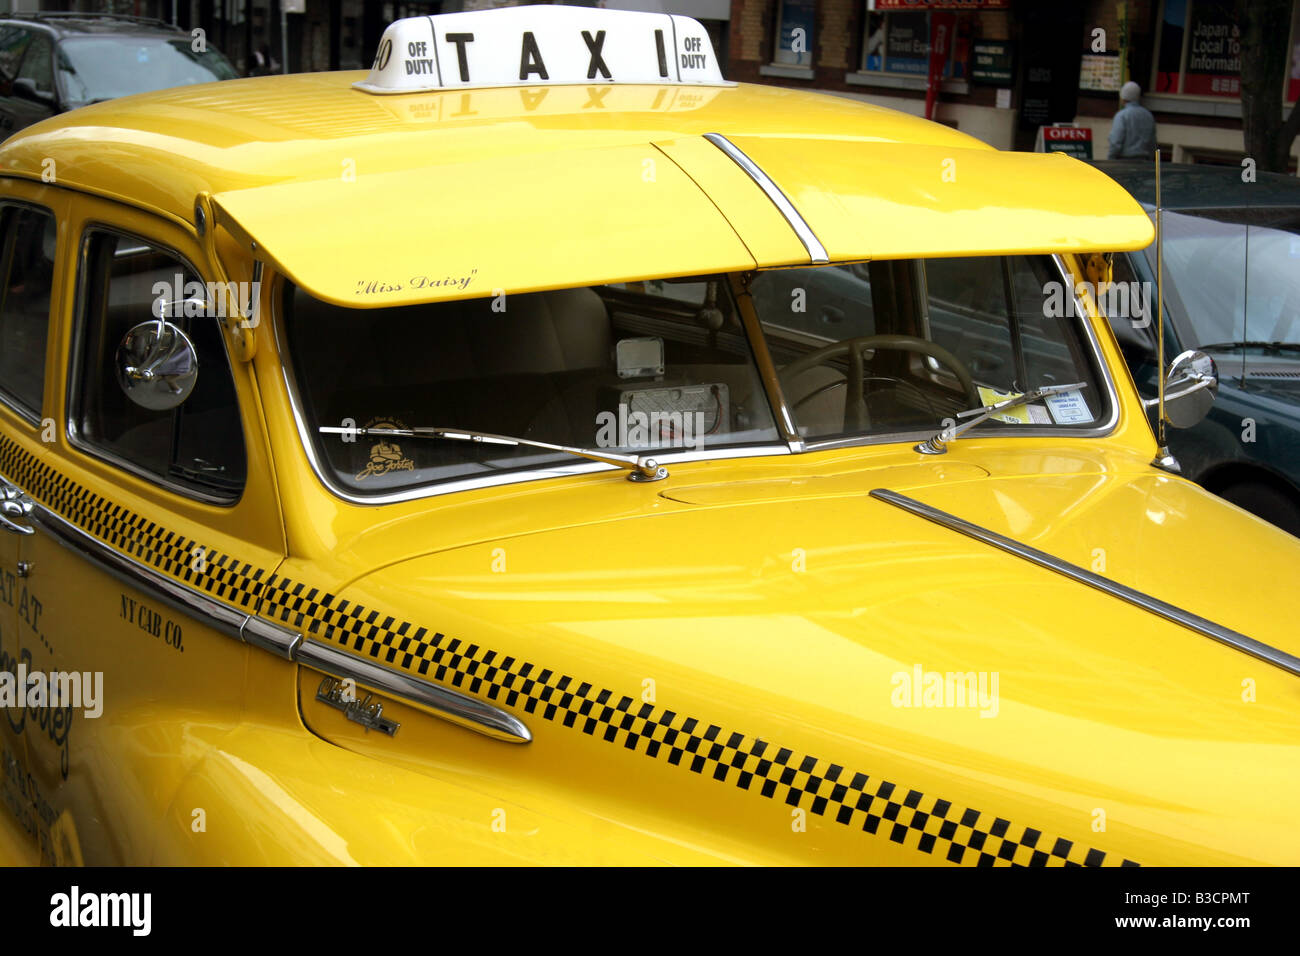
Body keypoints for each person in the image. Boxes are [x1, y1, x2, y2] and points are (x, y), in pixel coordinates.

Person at [1108, 81, 1157, 160]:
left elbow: (1116, 142)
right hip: (1144, 161)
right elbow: (1153, 143)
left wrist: (1111, 158)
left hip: (1124, 161)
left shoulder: (1121, 116)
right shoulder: (1148, 116)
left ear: (1123, 97)